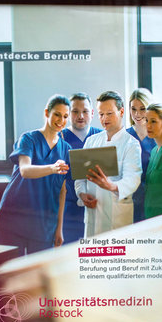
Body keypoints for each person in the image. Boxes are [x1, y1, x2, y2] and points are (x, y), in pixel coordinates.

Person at [0, 94, 71, 255]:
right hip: (13, 219)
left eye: (65, 116)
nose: (61, 120)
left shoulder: (66, 149)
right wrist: (52, 168)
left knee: (36, 276)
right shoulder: (28, 139)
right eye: (57, 114)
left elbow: (62, 191)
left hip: (44, 225)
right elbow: (25, 170)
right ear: (47, 113)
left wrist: (59, 229)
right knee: (14, 273)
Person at [75, 91, 141, 235]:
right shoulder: (91, 141)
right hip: (93, 214)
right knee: (93, 256)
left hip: (116, 217)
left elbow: (133, 179)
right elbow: (80, 176)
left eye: (109, 113)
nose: (104, 118)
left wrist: (111, 186)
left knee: (115, 256)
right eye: (101, 114)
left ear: (121, 111)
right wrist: (82, 194)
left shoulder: (131, 144)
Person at [60, 92, 102, 244]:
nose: (80, 116)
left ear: (92, 113)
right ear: (68, 114)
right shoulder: (60, 138)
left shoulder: (102, 136)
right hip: (69, 208)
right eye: (75, 111)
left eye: (85, 111)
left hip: (96, 205)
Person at [126, 88, 157, 223]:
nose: (137, 114)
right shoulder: (124, 136)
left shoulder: (158, 138)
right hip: (130, 200)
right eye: (133, 109)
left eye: (142, 109)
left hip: (154, 199)